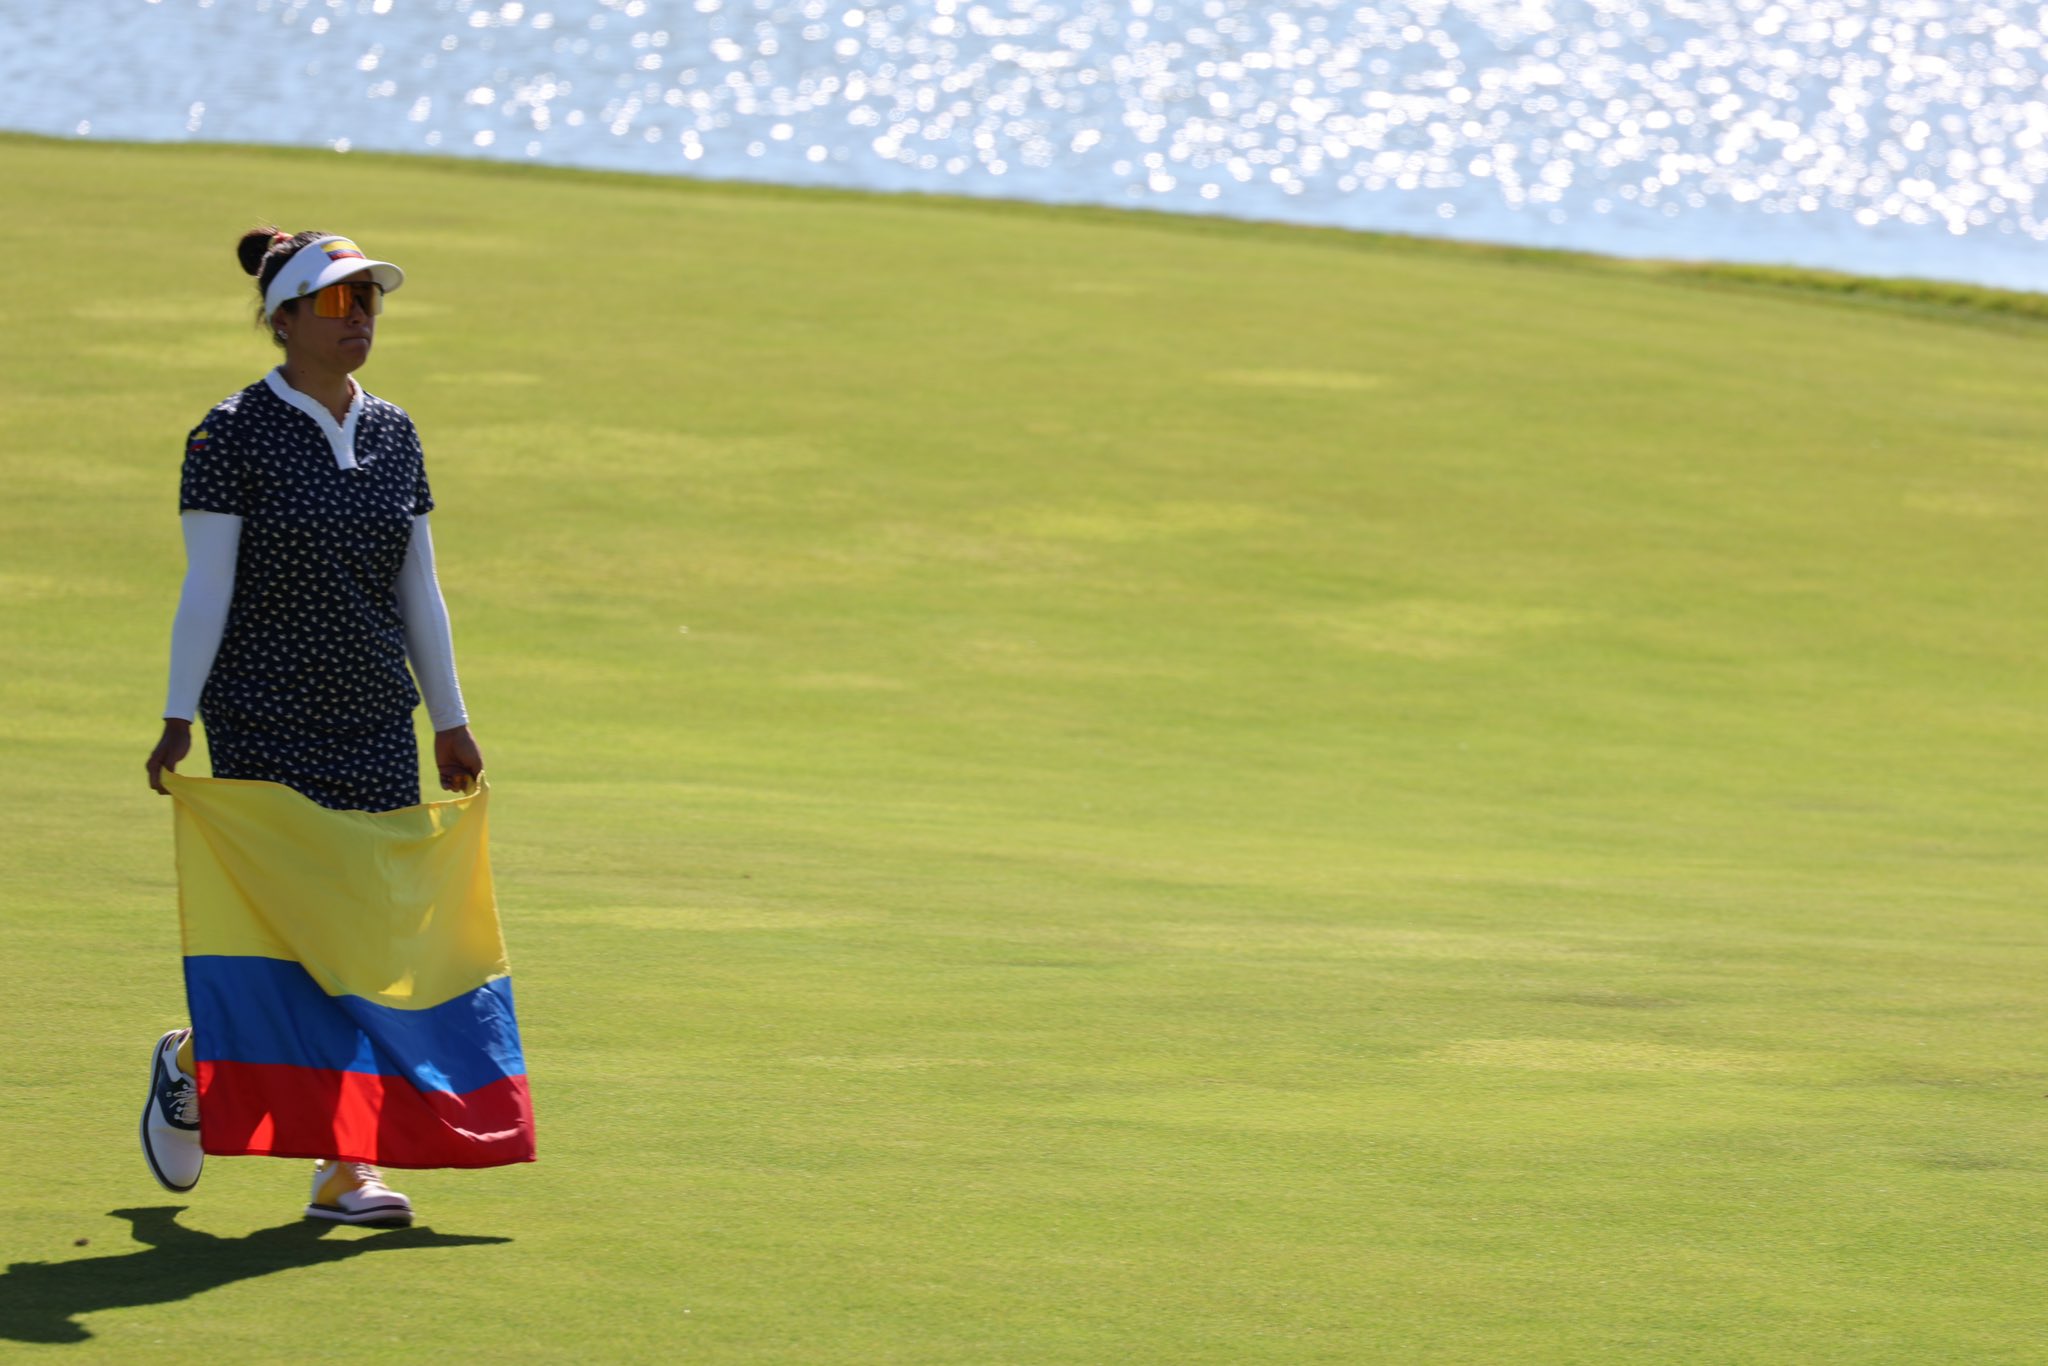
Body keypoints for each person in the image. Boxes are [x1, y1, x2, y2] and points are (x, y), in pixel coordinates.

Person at [142, 227, 485, 1227]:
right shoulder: (230, 433)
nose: (361, 318)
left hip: (378, 717)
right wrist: (175, 715)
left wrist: (450, 719)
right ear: (282, 318)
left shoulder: (395, 432)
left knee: (366, 939)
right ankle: (196, 1065)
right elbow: (204, 587)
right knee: (298, 940)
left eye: (370, 300)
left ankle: (345, 1167)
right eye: (336, 304)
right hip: (262, 719)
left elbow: (418, 586)